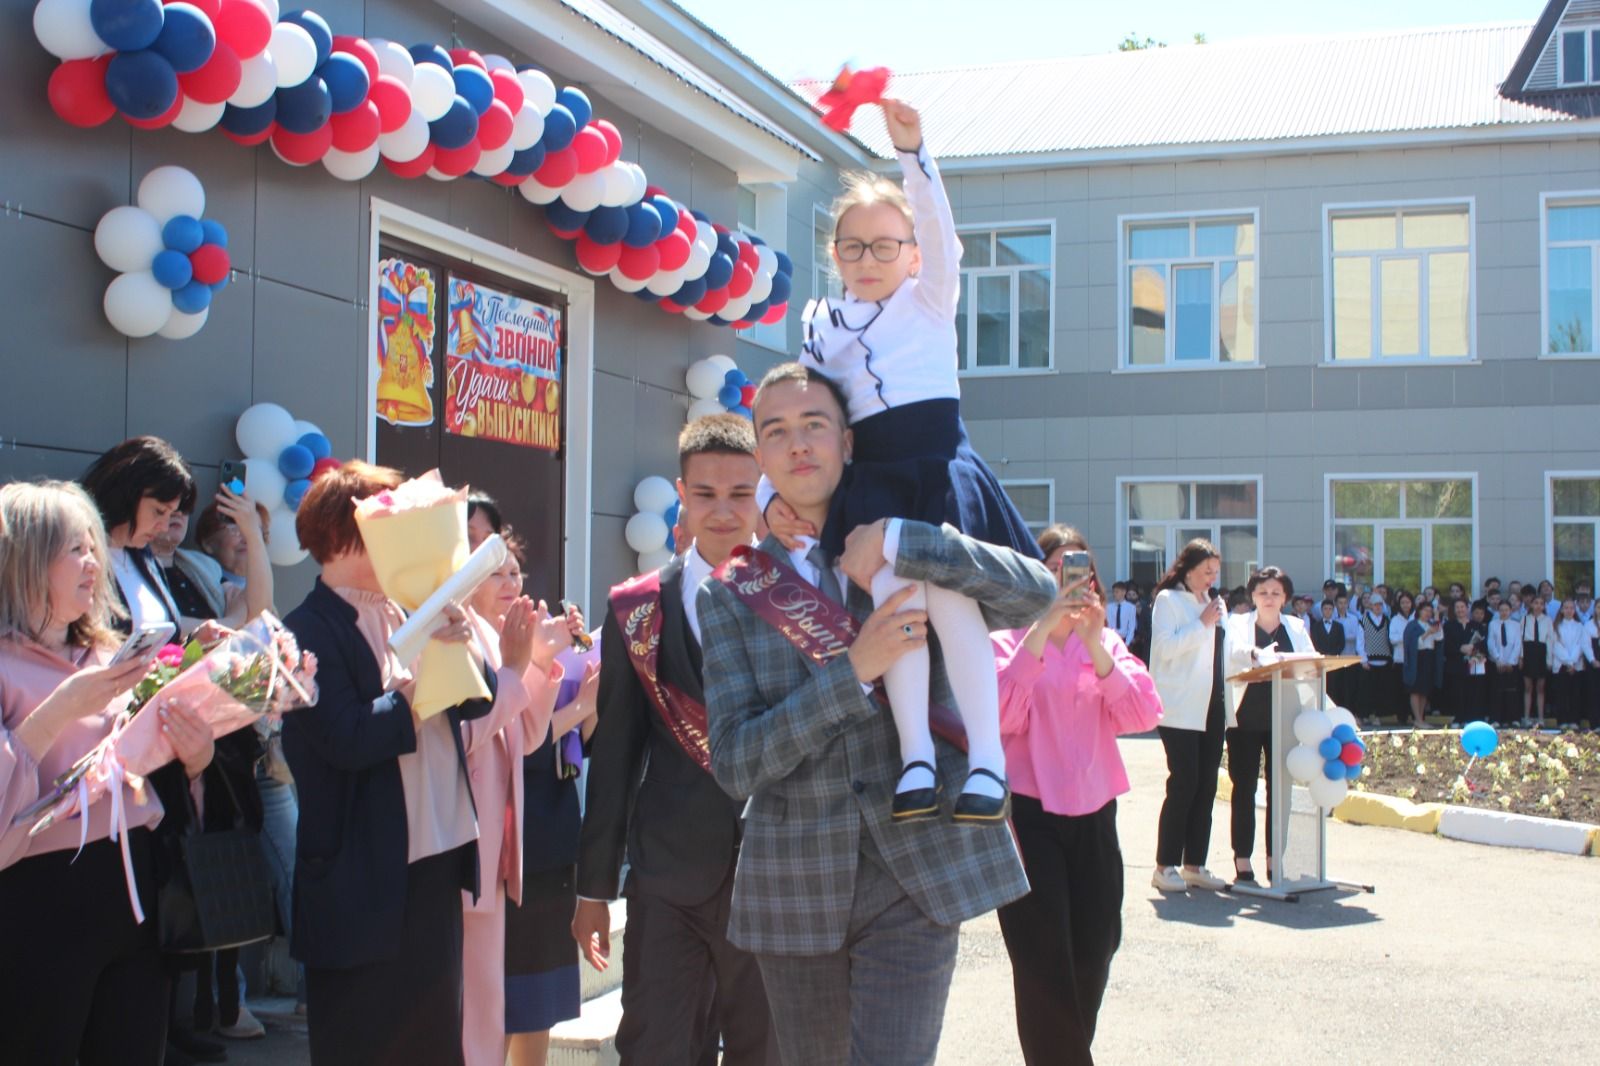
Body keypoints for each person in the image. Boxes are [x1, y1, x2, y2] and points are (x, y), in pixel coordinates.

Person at [698, 364, 1054, 1065]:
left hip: (914, 873)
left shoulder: (906, 537)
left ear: (848, 443)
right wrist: (852, 672)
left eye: (815, 426)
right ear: (760, 456)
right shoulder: (734, 592)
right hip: (795, 885)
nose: (798, 445)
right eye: (777, 432)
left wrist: (904, 541)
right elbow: (736, 763)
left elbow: (1034, 592)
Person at [763, 100, 1038, 823]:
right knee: (897, 607)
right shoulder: (820, 324)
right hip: (875, 478)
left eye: (886, 246)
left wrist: (913, 153)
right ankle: (915, 756)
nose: (869, 261)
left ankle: (987, 760)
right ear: (834, 256)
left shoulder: (931, 298)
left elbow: (941, 231)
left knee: (950, 599)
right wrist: (770, 491)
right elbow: (800, 407)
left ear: (913, 254)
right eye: (853, 248)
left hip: (935, 462)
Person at [574, 415, 778, 1066]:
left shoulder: (797, 601)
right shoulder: (636, 608)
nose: (724, 511)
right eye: (706, 494)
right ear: (681, 496)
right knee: (655, 1051)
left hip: (775, 880)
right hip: (668, 880)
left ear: (762, 495)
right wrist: (593, 888)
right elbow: (614, 756)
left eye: (740, 494)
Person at [280, 461, 494, 1066]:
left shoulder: (408, 606)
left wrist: (466, 640)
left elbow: (481, 697)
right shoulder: (302, 632)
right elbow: (347, 737)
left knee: (432, 1044)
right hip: (360, 877)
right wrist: (422, 674)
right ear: (352, 534)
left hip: (434, 859)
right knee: (364, 1043)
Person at [0, 481, 214, 1066]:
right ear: (24, 559)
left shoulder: (112, 655)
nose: (94, 562)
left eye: (93, 546)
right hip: (37, 895)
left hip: (134, 887)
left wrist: (195, 757)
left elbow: (150, 774)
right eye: (75, 549)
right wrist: (63, 708)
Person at [991, 526, 1160, 1066]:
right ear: (1036, 573)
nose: (1070, 577)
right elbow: (998, 715)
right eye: (1058, 566)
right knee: (1042, 961)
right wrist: (1042, 631)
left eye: (1078, 568)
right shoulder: (1006, 638)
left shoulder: (1106, 642)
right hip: (1028, 815)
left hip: (1093, 813)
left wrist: (1091, 641)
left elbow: (1141, 715)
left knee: (1096, 948)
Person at [460, 534, 567, 1066]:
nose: (511, 584)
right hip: (463, 844)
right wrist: (513, 666)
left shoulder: (495, 636)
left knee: (489, 1000)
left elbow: (526, 735)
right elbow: (467, 734)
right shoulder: (457, 637)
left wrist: (540, 660)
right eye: (496, 573)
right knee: (469, 1001)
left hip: (499, 847)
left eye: (515, 574)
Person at [505, 609, 599, 1066]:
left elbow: (583, 743)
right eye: (499, 573)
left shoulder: (555, 652)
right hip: (510, 850)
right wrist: (580, 707)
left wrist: (592, 701)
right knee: (502, 1008)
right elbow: (515, 749)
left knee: (537, 1007)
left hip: (553, 844)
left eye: (513, 574)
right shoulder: (496, 654)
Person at [1221, 566, 1312, 885]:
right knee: (1243, 788)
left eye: (1276, 593)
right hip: (1245, 717)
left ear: (1285, 597)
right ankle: (1242, 859)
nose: (1269, 598)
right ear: (1252, 596)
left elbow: (1311, 664)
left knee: (1281, 791)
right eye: (1263, 592)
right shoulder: (1236, 624)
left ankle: (1276, 859)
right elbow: (1230, 655)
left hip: (1285, 719)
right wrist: (1253, 655)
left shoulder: (1297, 627)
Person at [1148, 538, 1228, 894]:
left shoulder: (1209, 602)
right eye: (1206, 571)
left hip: (1210, 703)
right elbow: (1165, 649)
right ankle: (1164, 865)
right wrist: (1202, 623)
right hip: (1179, 705)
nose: (1212, 578)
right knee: (1184, 782)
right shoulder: (1168, 601)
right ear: (1188, 568)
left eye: (1215, 572)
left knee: (1206, 785)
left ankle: (1194, 863)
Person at [80, 436, 196, 639]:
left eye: (172, 515)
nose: (164, 527)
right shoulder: (79, 555)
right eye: (159, 511)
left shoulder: (144, 556)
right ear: (127, 495)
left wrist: (194, 642)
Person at [1356, 592, 1398, 723]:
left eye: (1380, 604)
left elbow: (1390, 640)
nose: (1378, 607)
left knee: (1382, 691)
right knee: (1367, 691)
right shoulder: (1363, 620)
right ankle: (1365, 715)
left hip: (1384, 660)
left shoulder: (1387, 620)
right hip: (1369, 661)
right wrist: (1363, 659)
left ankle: (1379, 716)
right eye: (1375, 605)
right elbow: (1360, 641)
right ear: (1371, 606)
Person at [1550, 598, 1592, 724]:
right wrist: (1567, 661)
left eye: (1571, 608)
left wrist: (1572, 661)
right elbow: (1555, 645)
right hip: (1561, 665)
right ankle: (1562, 721)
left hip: (1576, 666)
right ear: (1562, 610)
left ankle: (1574, 721)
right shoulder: (1556, 626)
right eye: (1566, 608)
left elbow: (1581, 645)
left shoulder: (1580, 627)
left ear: (1575, 610)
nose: (1569, 610)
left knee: (1575, 694)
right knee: (1562, 694)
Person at [1403, 602, 1444, 728]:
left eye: (1430, 611)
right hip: (1417, 658)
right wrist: (1428, 633)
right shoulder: (1412, 625)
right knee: (1415, 689)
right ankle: (1417, 718)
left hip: (1429, 657)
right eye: (1425, 610)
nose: (1427, 613)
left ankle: (1421, 718)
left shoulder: (1431, 624)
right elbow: (1413, 644)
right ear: (1419, 611)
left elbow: (1439, 637)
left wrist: (1436, 620)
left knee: (1424, 690)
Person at [1486, 600, 1523, 726]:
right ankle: (1496, 718)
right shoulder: (1493, 624)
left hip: (1511, 663)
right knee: (1496, 691)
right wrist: (1498, 660)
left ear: (1511, 611)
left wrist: (1511, 662)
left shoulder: (1516, 625)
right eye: (1501, 610)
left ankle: (1513, 719)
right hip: (1497, 663)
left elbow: (1518, 644)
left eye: (1506, 610)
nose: (1504, 612)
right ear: (1498, 611)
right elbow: (1491, 643)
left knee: (1511, 691)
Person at [1522, 595, 1552, 727]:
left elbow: (1550, 640)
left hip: (1541, 652)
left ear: (1544, 606)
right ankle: (1527, 717)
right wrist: (1521, 656)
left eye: (1541, 603)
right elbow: (1520, 639)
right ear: (1531, 605)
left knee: (1540, 687)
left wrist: (1549, 659)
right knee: (1528, 687)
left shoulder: (1547, 620)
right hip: (1529, 652)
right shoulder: (1525, 619)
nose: (1538, 606)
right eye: (1536, 603)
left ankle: (1541, 718)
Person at [1106, 581, 1137, 648]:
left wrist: (1127, 643)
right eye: (1113, 592)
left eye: (1117, 592)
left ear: (1123, 592)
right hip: (1113, 639)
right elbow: (1109, 624)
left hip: (1125, 639)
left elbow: (1131, 626)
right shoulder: (1109, 607)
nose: (1114, 594)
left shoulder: (1130, 607)